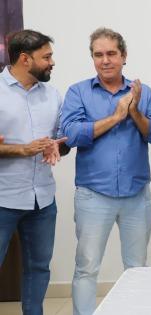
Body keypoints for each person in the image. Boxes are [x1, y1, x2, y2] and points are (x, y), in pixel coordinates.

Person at [59, 27, 151, 315]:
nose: (105, 60)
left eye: (111, 54)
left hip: (136, 195)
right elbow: (71, 135)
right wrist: (116, 117)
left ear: (124, 56)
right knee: (87, 267)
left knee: (137, 268)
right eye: (98, 54)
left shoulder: (143, 92)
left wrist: (135, 111)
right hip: (93, 195)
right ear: (92, 58)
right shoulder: (78, 92)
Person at [0, 29, 68, 315]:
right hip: (3, 198)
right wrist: (21, 150)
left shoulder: (53, 95)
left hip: (43, 200)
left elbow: (61, 141)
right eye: (47, 57)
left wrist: (58, 147)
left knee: (39, 268)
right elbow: (21, 148)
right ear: (25, 59)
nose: (52, 62)